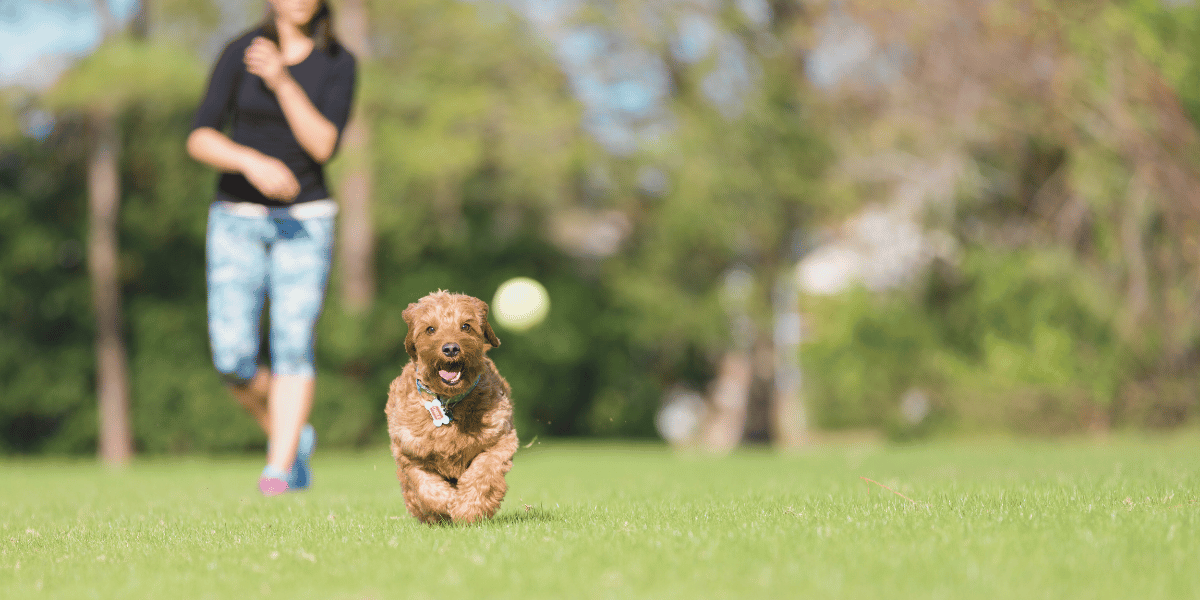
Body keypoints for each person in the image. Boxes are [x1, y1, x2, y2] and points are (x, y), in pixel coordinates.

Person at [186, 0, 356, 496]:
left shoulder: (337, 62)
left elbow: (324, 144)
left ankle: (278, 471)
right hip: (236, 220)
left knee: (292, 345)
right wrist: (248, 162)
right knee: (232, 358)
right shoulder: (239, 51)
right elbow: (199, 137)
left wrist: (283, 80)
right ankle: (291, 435)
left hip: (306, 221)